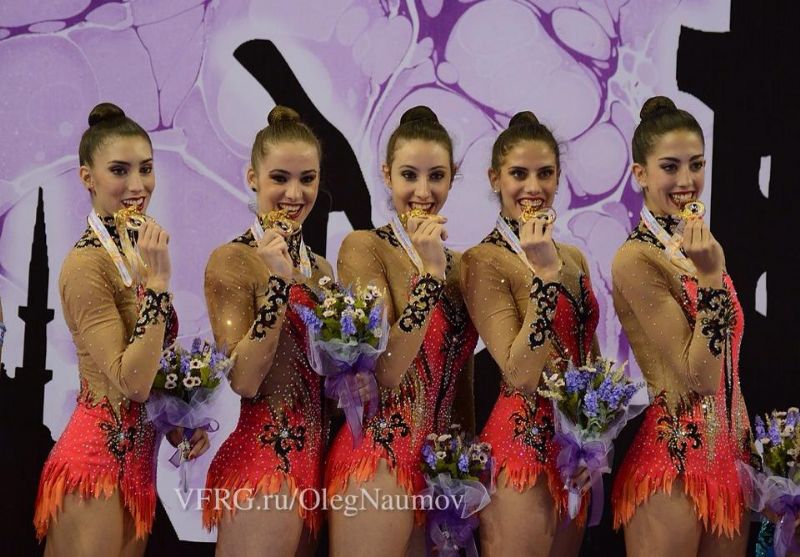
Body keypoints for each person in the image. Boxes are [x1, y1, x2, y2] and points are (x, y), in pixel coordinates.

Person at [33, 102, 208, 556]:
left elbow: (147, 371)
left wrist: (176, 420)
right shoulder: (86, 263)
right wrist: (160, 284)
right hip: (94, 466)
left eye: (146, 169)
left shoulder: (135, 252)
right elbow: (129, 381)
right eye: (119, 170)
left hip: (138, 470)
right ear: (87, 177)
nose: (137, 185)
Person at [325, 105, 477, 557]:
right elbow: (384, 370)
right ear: (387, 175)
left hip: (438, 473)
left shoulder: (460, 268)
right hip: (378, 456)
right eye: (410, 175)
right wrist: (427, 279)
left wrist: (461, 466)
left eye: (437, 177)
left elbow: (462, 380)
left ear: (453, 179)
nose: (423, 191)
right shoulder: (364, 248)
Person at [611, 96, 750, 556]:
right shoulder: (637, 258)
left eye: (696, 165)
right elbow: (701, 376)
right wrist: (711, 278)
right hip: (672, 464)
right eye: (670, 167)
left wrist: (748, 452)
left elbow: (730, 366)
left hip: (728, 464)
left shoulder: (696, 246)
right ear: (640, 174)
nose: (687, 181)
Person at [461, 111, 596, 556]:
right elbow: (519, 372)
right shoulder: (483, 260)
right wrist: (543, 275)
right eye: (519, 174)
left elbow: (589, 363)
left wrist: (593, 441)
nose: (533, 188)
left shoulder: (573, 256)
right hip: (521, 450)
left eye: (545, 173)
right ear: (495, 178)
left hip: (574, 456)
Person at [202, 106, 335, 557]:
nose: (294, 194)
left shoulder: (321, 269)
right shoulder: (233, 259)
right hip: (264, 465)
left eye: (308, 179)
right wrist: (278, 285)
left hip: (316, 470)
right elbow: (243, 379)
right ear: (252, 178)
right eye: (280, 178)